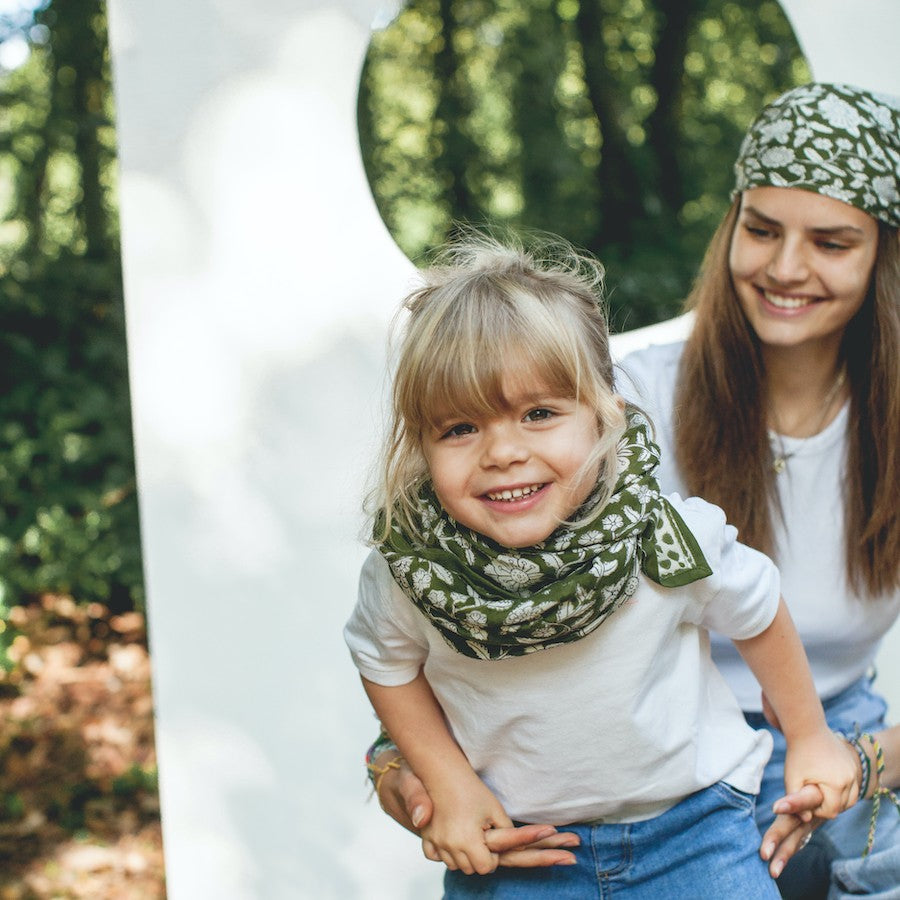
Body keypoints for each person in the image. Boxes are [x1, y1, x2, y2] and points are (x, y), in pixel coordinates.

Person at [369, 83, 900, 898]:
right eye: (761, 230)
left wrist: (852, 761)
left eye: (831, 242)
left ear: (885, 257)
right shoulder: (619, 403)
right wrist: (411, 772)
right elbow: (456, 609)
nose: (786, 267)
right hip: (615, 764)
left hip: (830, 744)